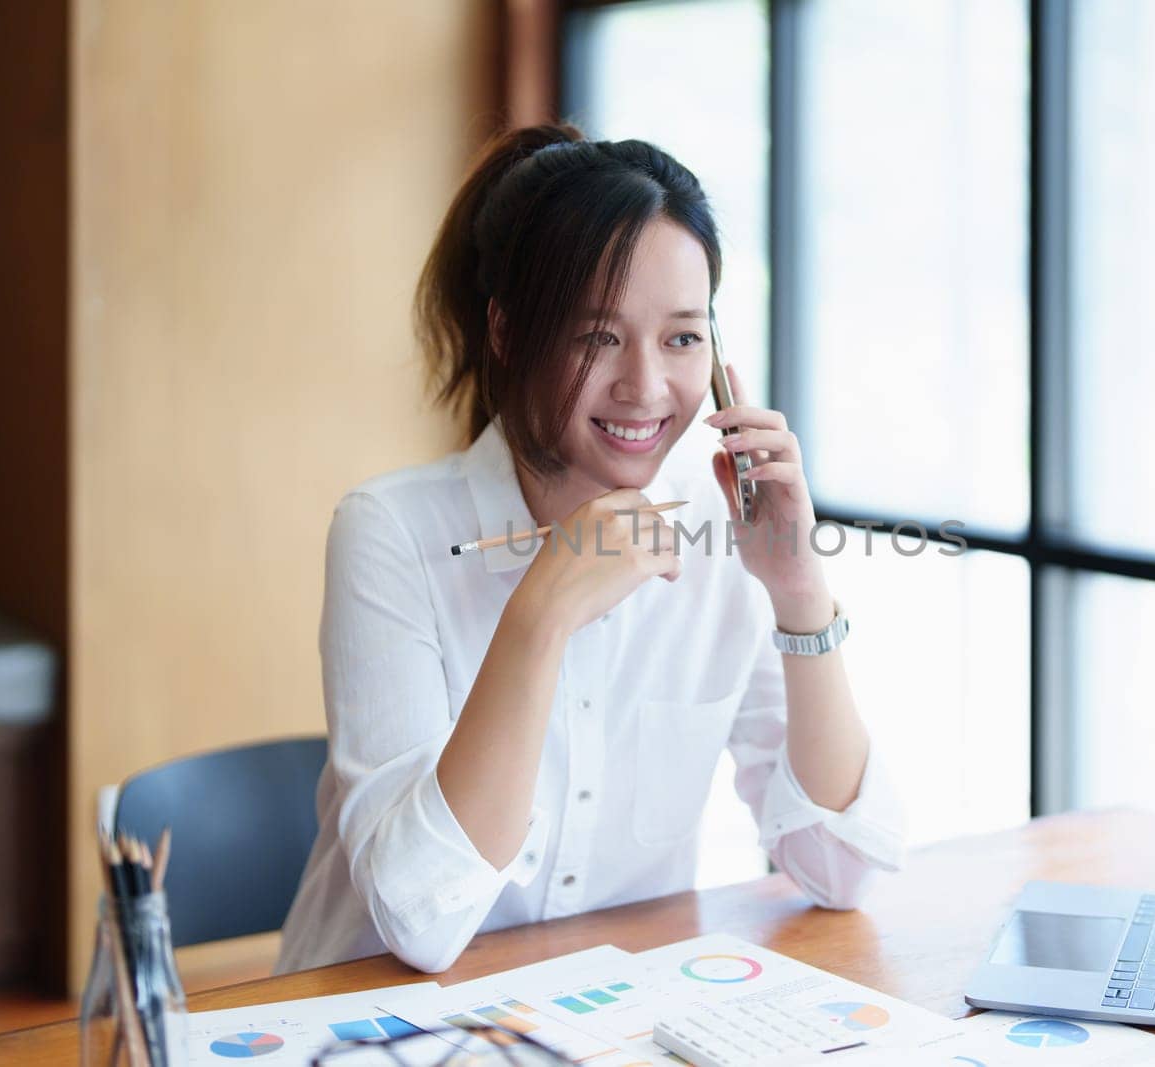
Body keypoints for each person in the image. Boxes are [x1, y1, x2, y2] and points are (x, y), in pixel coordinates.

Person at [277, 124, 906, 975]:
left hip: (605, 1020)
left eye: (683, 338)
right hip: (370, 1025)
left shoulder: (714, 527)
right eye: (597, 336)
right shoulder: (390, 533)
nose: (646, 387)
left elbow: (843, 866)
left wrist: (798, 590)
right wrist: (541, 614)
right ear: (507, 332)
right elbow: (422, 922)